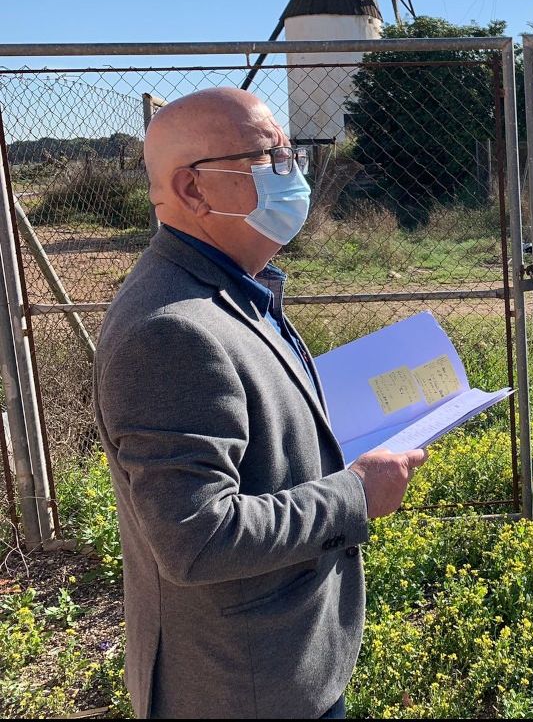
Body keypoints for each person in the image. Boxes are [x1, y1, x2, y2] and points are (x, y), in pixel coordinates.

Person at [94, 87, 425, 719]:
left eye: (290, 153)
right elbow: (197, 539)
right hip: (242, 688)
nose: (292, 174)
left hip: (280, 665)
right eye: (268, 158)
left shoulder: (231, 286)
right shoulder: (169, 330)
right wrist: (356, 493)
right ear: (193, 190)